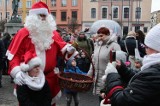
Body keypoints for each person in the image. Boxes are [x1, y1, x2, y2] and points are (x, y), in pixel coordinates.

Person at [6, 1, 78, 106]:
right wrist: (16, 72)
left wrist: (69, 50)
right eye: (40, 15)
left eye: (45, 16)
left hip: (49, 80)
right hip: (28, 80)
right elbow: (14, 56)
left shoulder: (53, 34)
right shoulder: (23, 33)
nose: (43, 18)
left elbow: (62, 51)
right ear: (33, 17)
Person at [100, 23, 160, 106]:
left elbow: (122, 101)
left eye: (147, 47)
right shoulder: (154, 70)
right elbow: (140, 77)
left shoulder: (154, 75)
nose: (146, 50)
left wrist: (112, 74)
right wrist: (122, 69)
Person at [87, 27, 121, 104]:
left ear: (108, 35)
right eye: (98, 35)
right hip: (98, 77)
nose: (100, 37)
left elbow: (119, 62)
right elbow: (93, 61)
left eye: (102, 35)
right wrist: (89, 74)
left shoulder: (114, 45)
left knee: (109, 100)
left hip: (109, 79)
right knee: (101, 100)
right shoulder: (97, 45)